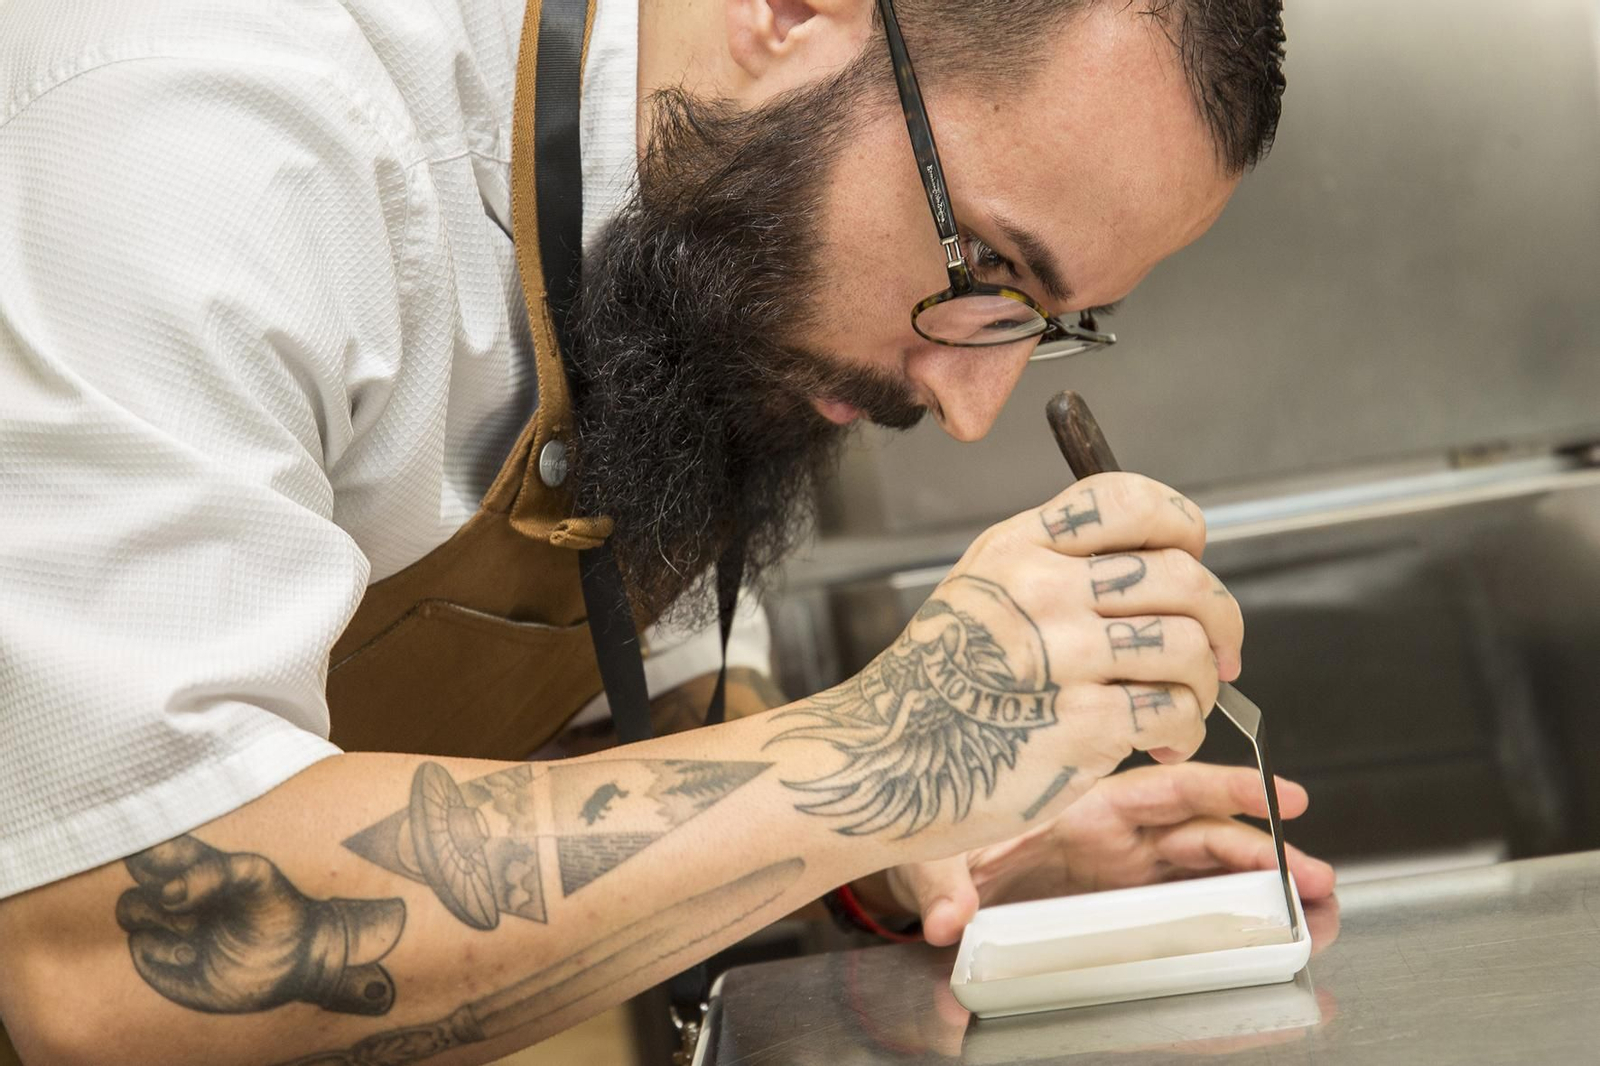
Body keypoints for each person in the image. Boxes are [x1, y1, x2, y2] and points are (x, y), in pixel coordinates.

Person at [0, 0, 1333, 1063]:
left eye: (1043, 324)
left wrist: (901, 847)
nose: (971, 407)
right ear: (791, 11)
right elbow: (97, 951)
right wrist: (879, 755)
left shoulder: (698, 219)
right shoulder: (213, 133)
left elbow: (631, 705)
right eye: (984, 267)